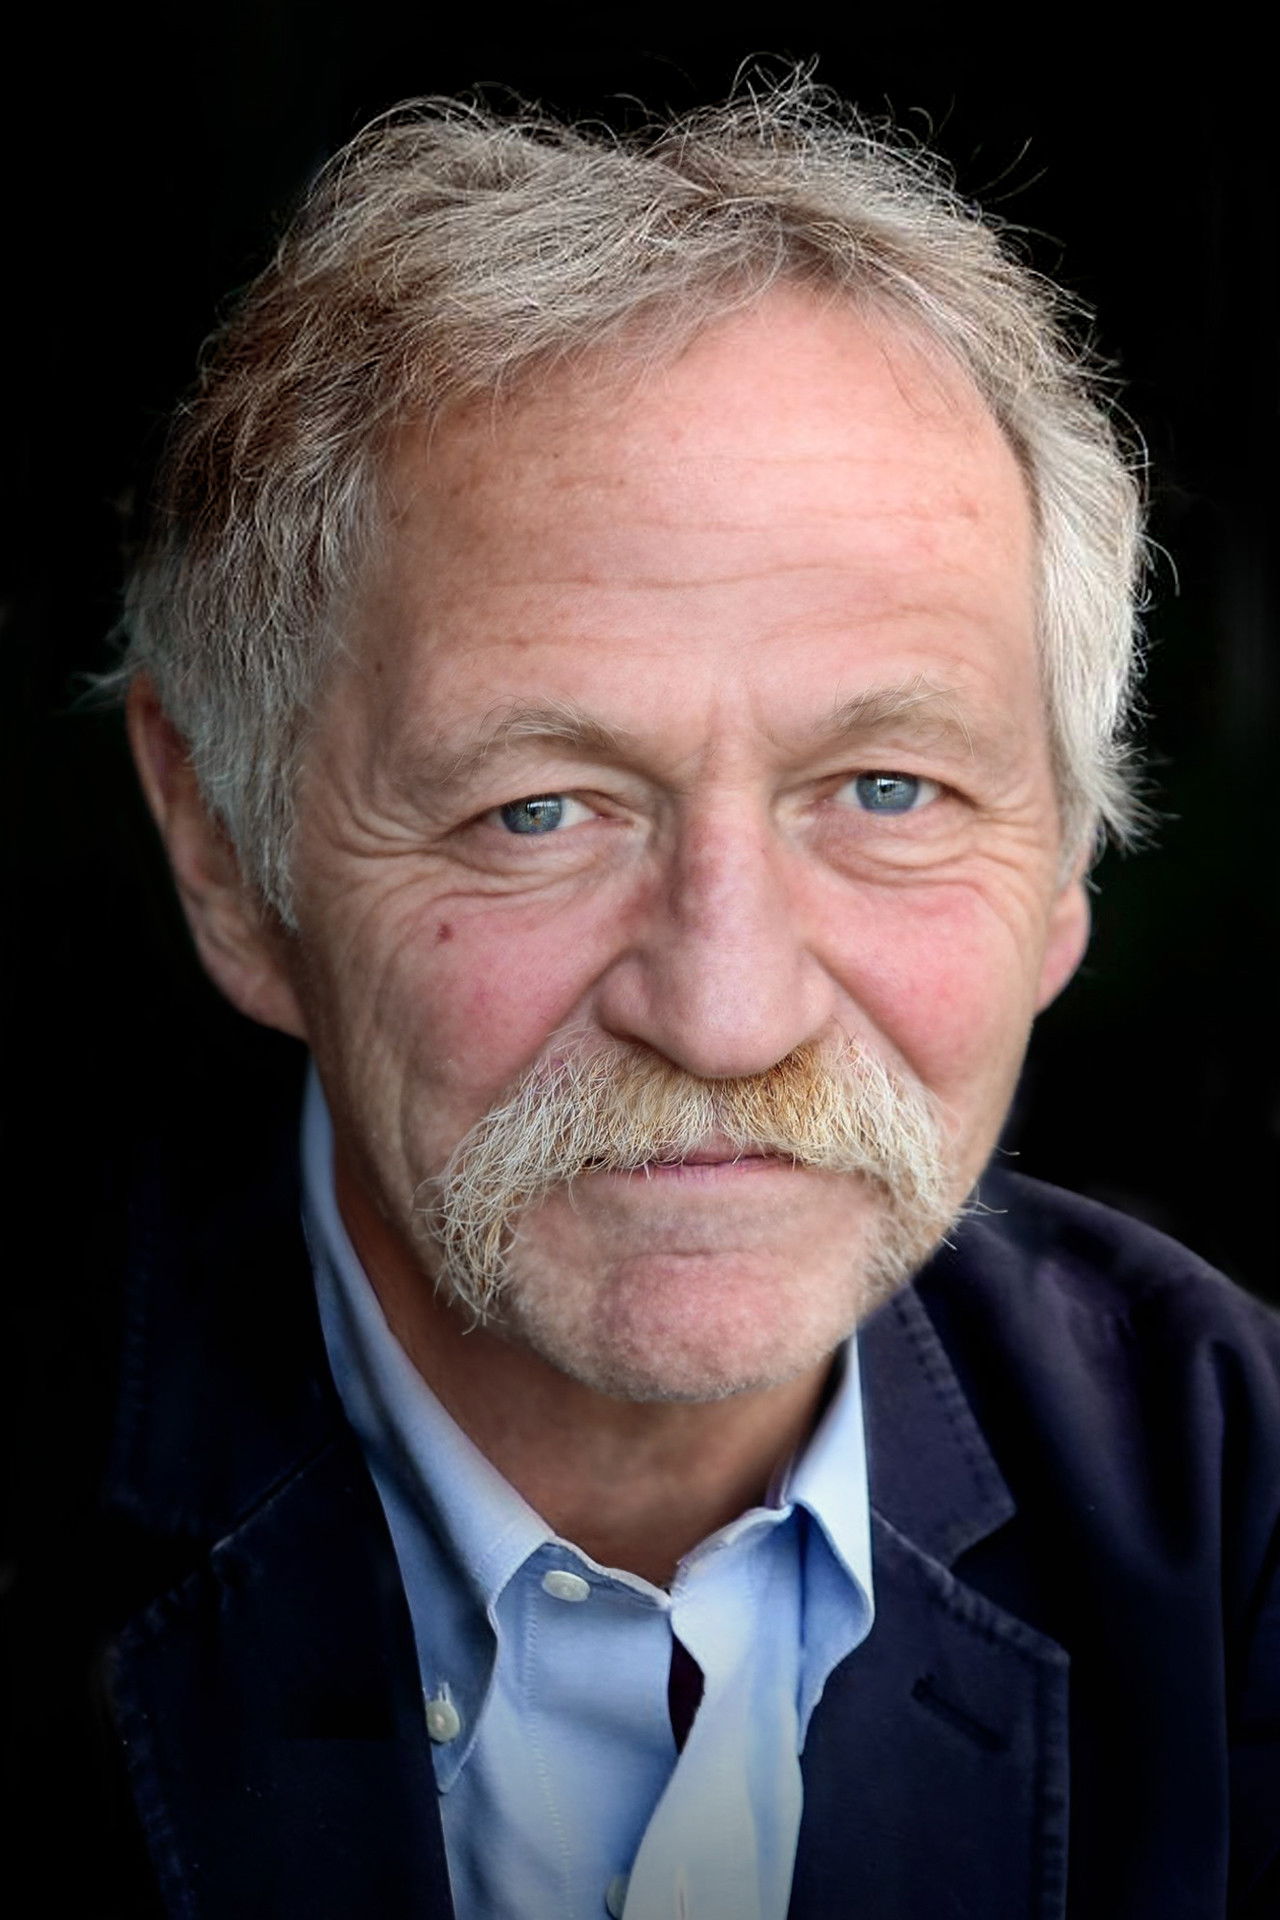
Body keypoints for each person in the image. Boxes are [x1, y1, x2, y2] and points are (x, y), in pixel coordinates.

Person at [54, 81, 1280, 1917]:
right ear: (226, 855)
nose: (726, 1016)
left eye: (886, 791)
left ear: (1061, 864)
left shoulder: (1246, 1511)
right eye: (539, 811)